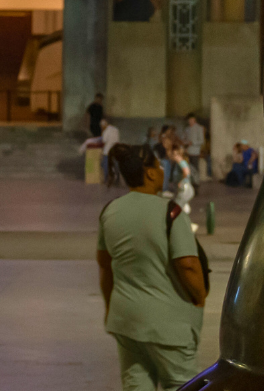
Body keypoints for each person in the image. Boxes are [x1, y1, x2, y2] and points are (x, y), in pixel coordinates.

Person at [97, 142, 207, 391]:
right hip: (168, 325)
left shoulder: (109, 211)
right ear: (149, 173)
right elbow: (188, 264)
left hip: (126, 320)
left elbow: (105, 267)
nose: (161, 169)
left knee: (136, 384)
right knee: (180, 384)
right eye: (158, 165)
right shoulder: (171, 212)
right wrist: (199, 297)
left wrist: (109, 308)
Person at [181, 113, 206, 180]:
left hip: (195, 152)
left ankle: (196, 181)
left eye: (191, 120)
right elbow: (183, 138)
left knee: (195, 167)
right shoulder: (187, 129)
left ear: (194, 120)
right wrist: (185, 142)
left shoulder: (199, 128)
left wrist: (193, 142)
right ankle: (191, 181)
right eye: (189, 120)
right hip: (188, 151)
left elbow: (201, 141)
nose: (190, 121)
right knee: (189, 167)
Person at [99, 118, 122, 187]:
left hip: (107, 151)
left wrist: (102, 132)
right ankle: (117, 179)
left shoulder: (106, 131)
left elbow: (104, 140)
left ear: (104, 125)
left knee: (105, 165)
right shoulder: (116, 129)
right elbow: (117, 140)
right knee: (115, 165)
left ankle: (105, 179)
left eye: (102, 126)